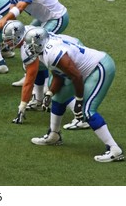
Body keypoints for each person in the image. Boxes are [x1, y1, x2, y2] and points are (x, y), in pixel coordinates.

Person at [23, 27, 124, 162]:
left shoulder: (52, 53)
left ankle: (114, 149)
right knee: (58, 98)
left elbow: (76, 77)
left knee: (87, 111)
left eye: (32, 46)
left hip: (99, 67)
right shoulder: (46, 50)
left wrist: (79, 101)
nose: (29, 49)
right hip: (81, 72)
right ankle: (54, 135)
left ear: (40, 43)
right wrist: (49, 93)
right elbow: (58, 74)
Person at [0, 0, 69, 108]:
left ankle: (46, 88)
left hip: (56, 17)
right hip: (44, 18)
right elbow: (13, 8)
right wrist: (7, 26)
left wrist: (4, 20)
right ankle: (38, 92)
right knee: (30, 45)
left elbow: (20, 8)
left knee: (37, 51)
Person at [2, 20, 89, 129]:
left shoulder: (27, 48)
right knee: (40, 69)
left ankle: (81, 117)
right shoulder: (26, 30)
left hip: (69, 53)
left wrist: (22, 106)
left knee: (61, 89)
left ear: (18, 36)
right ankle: (38, 101)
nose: (8, 43)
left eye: (10, 40)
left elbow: (29, 80)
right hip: (64, 48)